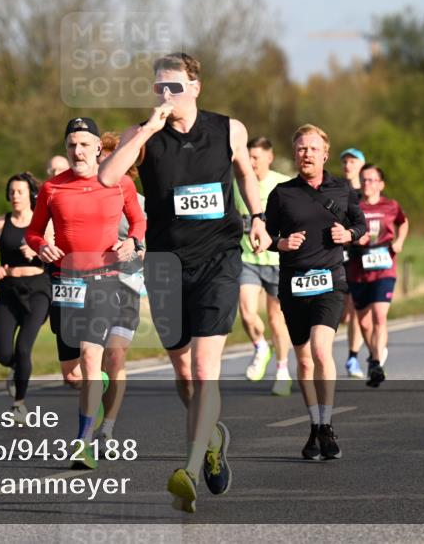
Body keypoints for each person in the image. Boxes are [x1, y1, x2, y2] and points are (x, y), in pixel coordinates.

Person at [99, 52, 272, 513]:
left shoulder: (228, 129)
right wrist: (149, 131)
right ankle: (213, 438)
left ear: (195, 88)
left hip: (218, 257)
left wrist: (256, 215)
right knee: (182, 371)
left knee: (202, 368)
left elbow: (245, 173)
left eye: (174, 87)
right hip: (164, 263)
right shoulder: (143, 133)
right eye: (159, 88)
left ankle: (190, 469)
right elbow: (107, 176)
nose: (166, 95)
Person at [26, 117, 145, 470]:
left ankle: (83, 441)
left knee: (92, 358)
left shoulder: (119, 183)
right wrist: (40, 247)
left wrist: (132, 242)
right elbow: (33, 232)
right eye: (71, 145)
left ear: (97, 147)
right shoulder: (51, 188)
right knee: (72, 374)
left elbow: (138, 222)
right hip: (65, 282)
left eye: (83, 144)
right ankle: (100, 383)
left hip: (106, 280)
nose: (77, 151)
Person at [265, 124, 366, 462]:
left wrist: (348, 234)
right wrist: (282, 242)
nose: (306, 154)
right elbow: (265, 236)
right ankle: (315, 425)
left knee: (322, 350)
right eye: (300, 149)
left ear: (325, 153)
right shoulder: (281, 193)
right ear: (295, 154)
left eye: (312, 148)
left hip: (329, 281)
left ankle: (327, 424)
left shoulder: (343, 189)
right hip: (293, 284)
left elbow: (361, 225)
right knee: (304, 359)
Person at [0, 172, 50, 425]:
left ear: (31, 194)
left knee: (24, 347)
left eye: (20, 191)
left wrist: (37, 251)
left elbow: (54, 254)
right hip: (8, 289)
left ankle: (19, 404)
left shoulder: (42, 222)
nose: (15, 196)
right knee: (3, 352)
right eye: (11, 192)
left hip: (38, 289)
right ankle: (15, 368)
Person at [98, 131, 148, 442]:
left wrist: (133, 248)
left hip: (126, 286)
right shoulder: (82, 194)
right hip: (87, 287)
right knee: (83, 370)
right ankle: (90, 417)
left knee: (115, 356)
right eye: (101, 157)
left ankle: (107, 429)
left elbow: (148, 247)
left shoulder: (138, 202)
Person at [235, 137, 293, 395]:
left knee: (276, 318)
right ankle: (260, 346)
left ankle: (282, 369)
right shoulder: (239, 183)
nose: (251, 162)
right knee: (247, 312)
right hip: (248, 259)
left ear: (269, 157)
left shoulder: (282, 183)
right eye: (248, 157)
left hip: (278, 261)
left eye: (256, 157)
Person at [345, 164, 408, 387]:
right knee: (363, 323)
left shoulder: (391, 205)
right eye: (363, 180)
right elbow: (342, 233)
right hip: (358, 270)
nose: (367, 184)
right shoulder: (353, 206)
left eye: (372, 180)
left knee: (380, 316)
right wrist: (353, 238)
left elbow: (403, 222)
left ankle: (377, 363)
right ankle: (374, 356)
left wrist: (399, 241)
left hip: (384, 267)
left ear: (381, 184)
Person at [339, 147, 367, 378]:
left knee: (354, 309)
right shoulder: (335, 189)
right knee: (343, 314)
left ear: (361, 165)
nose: (348, 165)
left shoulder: (366, 192)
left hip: (360, 257)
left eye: (353, 161)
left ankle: (353, 357)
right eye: (345, 161)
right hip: (338, 255)